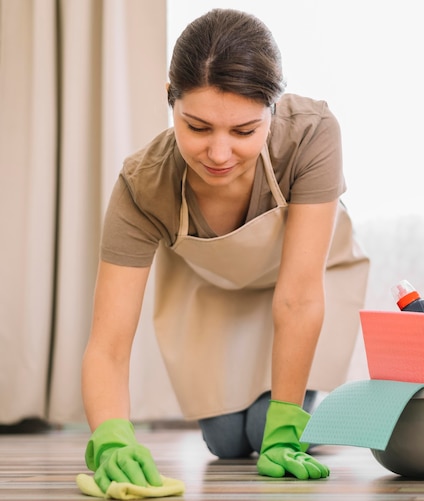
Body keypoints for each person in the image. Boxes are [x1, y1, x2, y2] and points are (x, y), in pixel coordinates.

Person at [80, 7, 369, 493]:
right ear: (170, 102)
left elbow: (298, 297)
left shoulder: (311, 135)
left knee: (265, 431)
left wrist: (284, 431)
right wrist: (110, 440)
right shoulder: (143, 184)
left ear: (272, 111)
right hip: (215, 293)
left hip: (302, 283)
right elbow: (108, 344)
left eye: (243, 132)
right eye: (197, 127)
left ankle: (296, 418)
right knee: (226, 442)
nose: (218, 154)